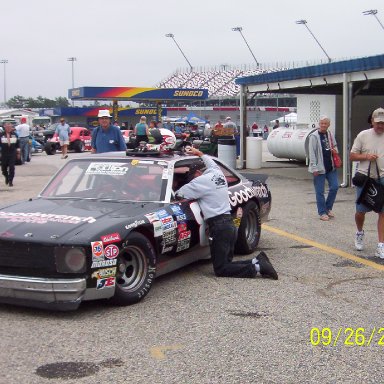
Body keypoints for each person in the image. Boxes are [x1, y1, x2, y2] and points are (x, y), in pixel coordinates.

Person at [175, 146, 278, 280]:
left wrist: (176, 185)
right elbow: (210, 161)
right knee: (227, 264)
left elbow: (178, 194)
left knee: (221, 269)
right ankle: (257, 261)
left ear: (198, 173)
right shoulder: (217, 172)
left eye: (192, 176)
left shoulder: (199, 182)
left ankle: (258, 267)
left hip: (219, 228)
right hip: (229, 225)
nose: (191, 179)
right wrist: (199, 153)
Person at [350, 107, 384, 258]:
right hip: (365, 178)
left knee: (383, 212)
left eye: (383, 123)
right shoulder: (363, 135)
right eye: (378, 123)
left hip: (382, 177)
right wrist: (366, 157)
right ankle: (359, 232)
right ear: (372, 121)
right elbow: (352, 156)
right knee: (360, 212)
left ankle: (381, 245)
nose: (381, 126)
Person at [308, 116, 339, 221]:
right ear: (319, 124)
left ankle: (328, 208)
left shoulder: (330, 134)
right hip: (319, 168)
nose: (323, 125)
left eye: (325, 123)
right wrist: (314, 167)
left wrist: (335, 150)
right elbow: (312, 153)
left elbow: (335, 146)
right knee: (320, 191)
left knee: (334, 187)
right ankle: (322, 212)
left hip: (331, 166)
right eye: (321, 123)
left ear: (328, 124)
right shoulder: (314, 136)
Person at [0, 122, 20, 187]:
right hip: (4, 153)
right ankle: (7, 177)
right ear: (4, 127)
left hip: (12, 153)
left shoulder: (15, 135)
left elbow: (18, 145)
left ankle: (10, 181)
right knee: (3, 169)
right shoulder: (1, 135)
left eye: (10, 127)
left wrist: (18, 153)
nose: (9, 128)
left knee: (12, 168)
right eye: (7, 127)